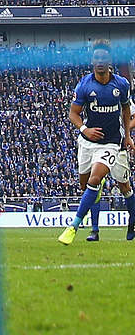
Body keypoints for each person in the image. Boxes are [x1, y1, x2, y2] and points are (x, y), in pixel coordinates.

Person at [58, 41, 135, 244]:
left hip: (111, 143)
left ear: (109, 61)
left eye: (104, 58)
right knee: (86, 185)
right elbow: (73, 114)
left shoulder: (121, 84)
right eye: (97, 58)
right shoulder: (84, 85)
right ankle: (93, 225)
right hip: (87, 143)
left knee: (96, 179)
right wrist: (85, 129)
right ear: (92, 60)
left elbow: (127, 110)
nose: (100, 61)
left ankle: (74, 226)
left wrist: (127, 135)